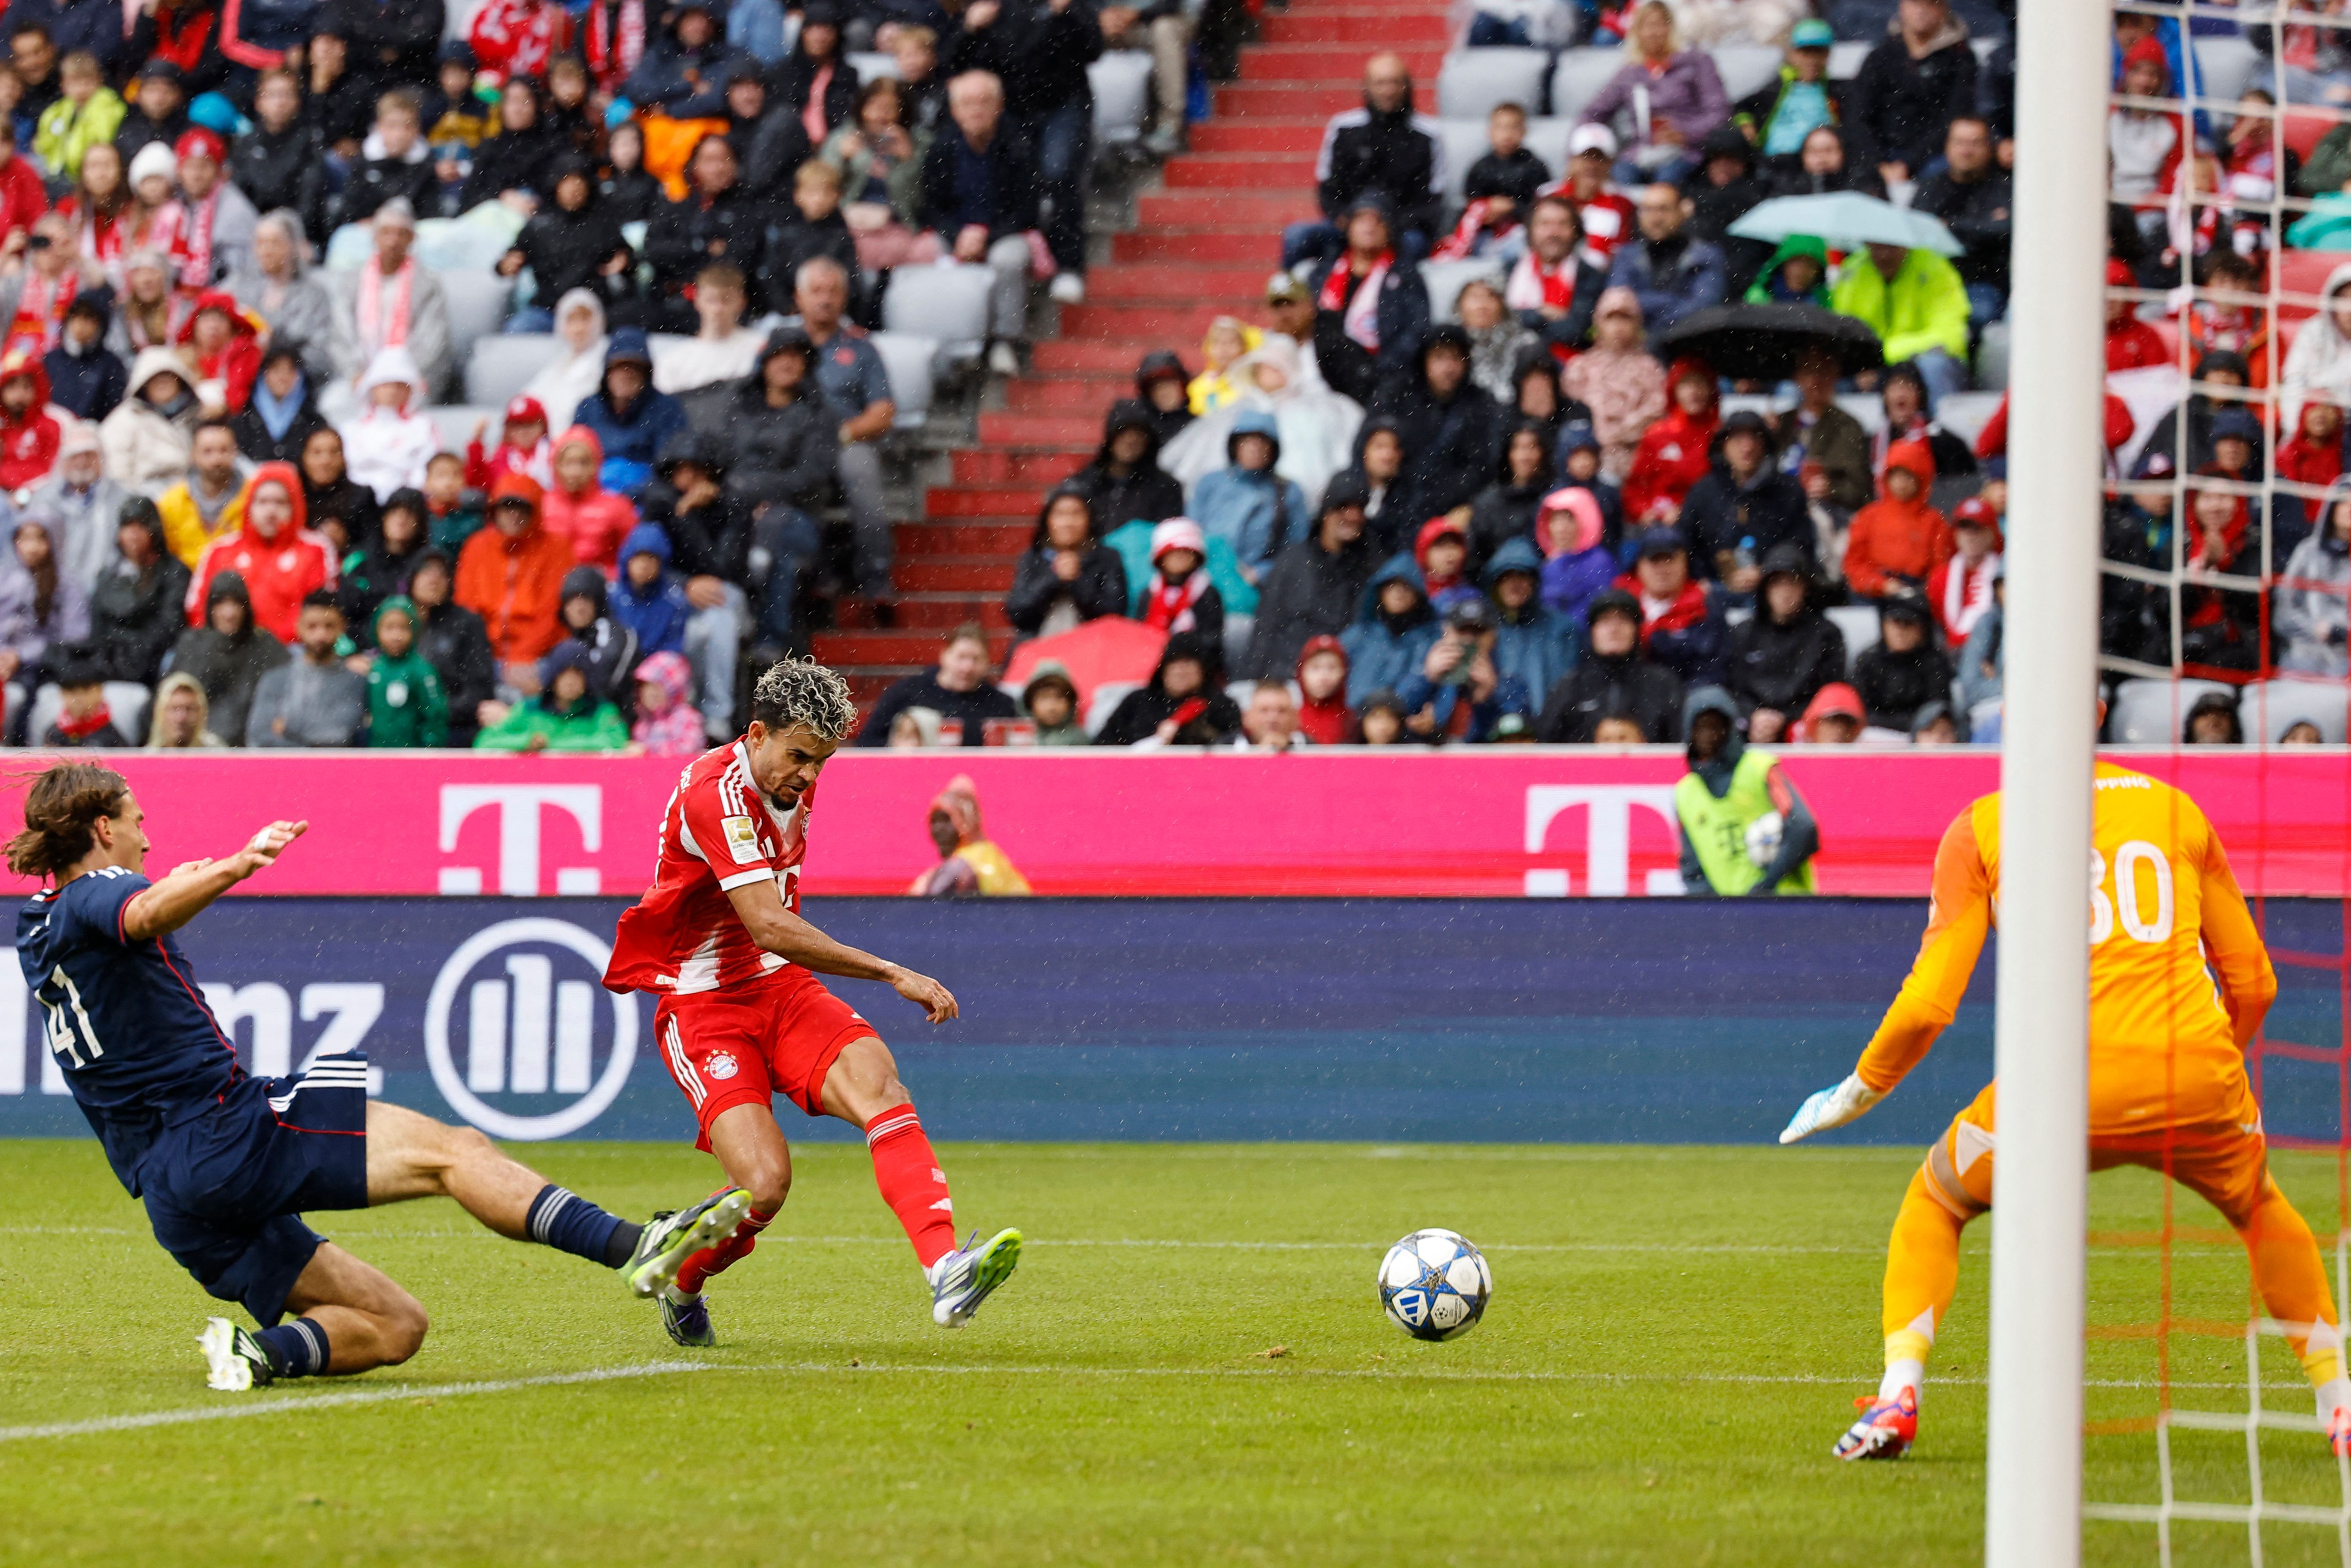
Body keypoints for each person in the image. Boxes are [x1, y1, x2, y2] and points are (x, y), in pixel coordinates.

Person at [8, 761, 754, 1383]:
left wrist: (167, 886)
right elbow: (140, 913)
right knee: (454, 1152)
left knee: (397, 1324)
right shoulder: (98, 894)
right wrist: (235, 866)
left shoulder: (40, 923)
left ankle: (252, 1355)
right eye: (136, 818)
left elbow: (129, 919)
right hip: (223, 1132)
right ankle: (633, 1247)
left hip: (173, 1195)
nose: (147, 832)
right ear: (103, 829)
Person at [1784, 750, 2351, 1462]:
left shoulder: (1982, 826)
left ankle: (1899, 1392)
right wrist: (2209, 1068)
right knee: (2261, 1209)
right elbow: (2255, 982)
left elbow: (1928, 1004)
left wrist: (1859, 1088)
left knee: (1936, 1198)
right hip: (2196, 1075)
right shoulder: (2175, 809)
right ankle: (2339, 1406)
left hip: (2054, 1089)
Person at [603, 655, 1023, 1342]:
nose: (807, 775)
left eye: (822, 762)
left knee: (880, 1086)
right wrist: (892, 972)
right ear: (755, 732)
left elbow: (771, 938)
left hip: (777, 984)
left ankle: (946, 1268)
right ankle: (681, 1280)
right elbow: (768, 921)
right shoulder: (715, 792)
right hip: (703, 1002)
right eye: (798, 755)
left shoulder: (792, 778)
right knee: (765, 1185)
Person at [914, 71, 1039, 377]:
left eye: (985, 102)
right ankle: (938, 340)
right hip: (956, 232)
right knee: (921, 254)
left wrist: (986, 234)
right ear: (955, 110)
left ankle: (1004, 340)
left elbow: (1028, 208)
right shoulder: (942, 146)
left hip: (1003, 231)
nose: (976, 110)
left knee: (1007, 261)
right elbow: (929, 206)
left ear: (999, 105)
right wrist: (957, 235)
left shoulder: (1018, 143)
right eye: (967, 103)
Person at [790, 257, 898, 607]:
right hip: (791, 443)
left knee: (862, 471)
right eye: (816, 291)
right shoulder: (782, 348)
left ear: (845, 298)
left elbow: (883, 412)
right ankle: (816, 578)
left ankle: (876, 579)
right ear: (799, 297)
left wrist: (841, 434)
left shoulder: (862, 349)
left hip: (846, 441)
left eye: (833, 291)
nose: (825, 299)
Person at [1289, 53, 1442, 270]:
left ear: (1407, 86)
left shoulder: (1428, 134)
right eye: (1380, 83)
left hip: (1402, 228)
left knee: (1414, 243)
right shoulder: (1343, 128)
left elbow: (1431, 201)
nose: (1388, 90)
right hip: (1349, 225)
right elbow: (1327, 189)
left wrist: (1386, 227)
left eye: (1394, 82)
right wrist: (1352, 223)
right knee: (1296, 237)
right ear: (1367, 87)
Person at [1674, 686, 1819, 896]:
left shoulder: (1760, 768)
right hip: (1732, 917)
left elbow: (1804, 829)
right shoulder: (1685, 793)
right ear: (1689, 733)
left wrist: (1766, 885)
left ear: (1730, 729)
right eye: (1701, 728)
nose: (1709, 735)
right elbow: (1692, 869)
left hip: (1787, 904)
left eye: (1717, 726)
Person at [1242, 472, 1380, 679]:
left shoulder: (1373, 566)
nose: (1353, 517)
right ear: (1326, 512)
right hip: (1286, 676)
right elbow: (1267, 626)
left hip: (1341, 679)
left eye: (1359, 509)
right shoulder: (1293, 560)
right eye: (1343, 508)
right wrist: (1255, 680)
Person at [184, 462, 336, 645]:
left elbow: (320, 613)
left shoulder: (316, 550)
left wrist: (269, 647)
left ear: (295, 505)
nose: (271, 511)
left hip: (292, 651)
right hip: (227, 647)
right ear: (249, 506)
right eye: (263, 502)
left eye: (280, 502)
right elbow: (197, 608)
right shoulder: (221, 550)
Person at [1579, 2, 1728, 187]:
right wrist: (1583, 149)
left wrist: (1686, 133)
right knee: (1620, 179)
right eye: (1646, 26)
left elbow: (1719, 113)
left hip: (1686, 150)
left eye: (1659, 24)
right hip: (1641, 151)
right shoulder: (1631, 72)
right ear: (1637, 32)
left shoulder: (1696, 62)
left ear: (1671, 28)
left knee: (1667, 180)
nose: (1653, 32)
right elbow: (1594, 112)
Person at [1305, 191, 1431, 405]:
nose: (1369, 227)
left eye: (1378, 220)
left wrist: (1383, 369)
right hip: (1323, 371)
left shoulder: (1405, 275)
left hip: (1380, 377)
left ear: (1389, 229)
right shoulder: (1323, 273)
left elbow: (1416, 330)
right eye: (1362, 218)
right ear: (1349, 226)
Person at [1845, 0, 1979, 189]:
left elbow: (1954, 117)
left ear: (1944, 10)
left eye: (1930, 4)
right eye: (1915, 3)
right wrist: (1878, 163)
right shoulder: (1880, 57)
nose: (1922, 11)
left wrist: (1909, 164)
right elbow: (1858, 116)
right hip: (1881, 154)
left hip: (1933, 156)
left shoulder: (1961, 58)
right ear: (1902, 7)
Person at [455, 474, 573, 685]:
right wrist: (481, 655)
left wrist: (522, 656)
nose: (513, 515)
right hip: (485, 654)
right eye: (506, 507)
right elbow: (466, 607)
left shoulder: (556, 549)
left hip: (539, 656)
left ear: (534, 511)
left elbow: (553, 614)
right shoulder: (477, 546)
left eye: (521, 508)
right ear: (495, 510)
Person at [330, 201, 452, 402]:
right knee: (334, 402)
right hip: (360, 377)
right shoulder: (352, 281)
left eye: (401, 234)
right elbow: (341, 337)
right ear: (374, 237)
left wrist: (398, 380)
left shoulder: (427, 284)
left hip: (408, 381)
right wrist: (357, 374)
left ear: (411, 239)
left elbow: (432, 341)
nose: (393, 241)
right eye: (386, 233)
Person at [1678, 408, 1812, 589]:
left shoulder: (1788, 491)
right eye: (1738, 439)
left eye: (1754, 439)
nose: (1747, 448)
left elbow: (1800, 544)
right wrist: (1702, 581)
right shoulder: (1703, 491)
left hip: (1774, 590)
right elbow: (1687, 543)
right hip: (1712, 591)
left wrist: (1768, 571)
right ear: (1723, 445)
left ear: (1765, 445)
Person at [499, 154, 632, 333]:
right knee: (518, 330)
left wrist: (625, 262)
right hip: (550, 309)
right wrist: (506, 266)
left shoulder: (603, 224)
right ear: (556, 186)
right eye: (567, 182)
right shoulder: (538, 226)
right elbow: (508, 263)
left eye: (579, 182)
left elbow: (628, 262)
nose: (574, 189)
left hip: (592, 310)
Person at [1829, 242, 1971, 407]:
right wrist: (1859, 363)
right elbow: (1841, 331)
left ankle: (1938, 430)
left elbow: (1951, 337)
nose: (1884, 255)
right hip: (1872, 366)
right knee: (1828, 374)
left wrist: (1883, 355)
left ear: (1906, 244)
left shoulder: (1936, 268)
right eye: (1877, 247)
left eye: (1892, 247)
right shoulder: (1853, 270)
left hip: (1918, 362)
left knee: (1935, 366)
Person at [1534, 588, 1683, 743]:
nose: (1614, 629)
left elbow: (1678, 745)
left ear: (1636, 630)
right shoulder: (1570, 687)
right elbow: (1546, 746)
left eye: (1623, 620)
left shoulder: (1663, 684)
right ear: (1593, 632)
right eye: (1605, 621)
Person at [1726, 546, 1844, 743]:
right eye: (1778, 584)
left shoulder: (1826, 634)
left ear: (1806, 588)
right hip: (1749, 728)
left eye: (1793, 583)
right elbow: (1732, 689)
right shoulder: (1743, 633)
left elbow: (1830, 694)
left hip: (1808, 729)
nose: (1785, 592)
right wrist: (1753, 716)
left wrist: (1787, 717)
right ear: (1766, 589)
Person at [1908, 117, 2011, 328]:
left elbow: (2003, 231)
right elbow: (1916, 230)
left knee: (1974, 316)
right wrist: (1977, 229)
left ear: (1990, 148)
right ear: (1947, 147)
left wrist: (1950, 226)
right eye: (1960, 143)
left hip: (1982, 283)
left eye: (1975, 143)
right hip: (1931, 282)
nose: (1967, 151)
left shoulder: (2004, 188)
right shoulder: (1931, 186)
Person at [1191, 408, 1310, 588]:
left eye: (1262, 442)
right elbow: (1191, 531)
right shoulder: (1210, 483)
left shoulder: (1288, 491)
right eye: (1247, 442)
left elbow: (1297, 547)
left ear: (1273, 449)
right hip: (1205, 579)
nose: (1255, 449)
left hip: (1254, 586)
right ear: (1235, 446)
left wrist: (1262, 572)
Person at [167, 569, 282, 745]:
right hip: (194, 744)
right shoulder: (193, 644)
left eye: (236, 604)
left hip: (250, 745)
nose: (230, 614)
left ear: (246, 608)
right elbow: (168, 697)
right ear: (210, 608)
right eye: (221, 604)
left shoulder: (265, 646)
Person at [857, 623, 1017, 746]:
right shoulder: (906, 693)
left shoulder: (1001, 704)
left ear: (988, 662)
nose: (967, 667)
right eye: (961, 657)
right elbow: (867, 742)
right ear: (944, 655)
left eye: (976, 659)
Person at [1005, 481, 1127, 643]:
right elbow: (1017, 612)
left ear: (1089, 519)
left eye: (1077, 514)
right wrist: (1054, 579)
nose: (1068, 523)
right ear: (1048, 520)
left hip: (1092, 649)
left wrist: (1076, 581)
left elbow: (1114, 613)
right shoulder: (1032, 559)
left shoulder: (1107, 558)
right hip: (1039, 651)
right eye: (1060, 514)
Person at [242, 588, 365, 747]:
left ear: (342, 627)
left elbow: (340, 735)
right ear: (299, 626)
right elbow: (259, 735)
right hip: (281, 769)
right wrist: (308, 746)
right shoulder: (274, 679)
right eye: (312, 626)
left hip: (330, 770)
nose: (321, 635)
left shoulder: (354, 680)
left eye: (329, 626)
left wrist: (288, 727)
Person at [1605, 183, 1725, 346]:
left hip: (1688, 344)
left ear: (1682, 211)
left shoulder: (1706, 256)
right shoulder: (1626, 255)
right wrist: (1671, 301)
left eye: (1663, 209)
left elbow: (1704, 307)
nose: (1655, 219)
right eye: (1648, 210)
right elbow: (1619, 303)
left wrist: (1648, 314)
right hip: (1636, 347)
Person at [88, 497, 187, 685]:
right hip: (110, 661)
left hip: (152, 661)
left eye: (141, 526)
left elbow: (170, 626)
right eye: (127, 526)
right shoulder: (108, 575)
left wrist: (134, 647)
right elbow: (98, 626)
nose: (134, 534)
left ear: (155, 531)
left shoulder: (174, 572)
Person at [573, 330, 687, 495]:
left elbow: (670, 467)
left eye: (634, 368)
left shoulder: (667, 409)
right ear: (607, 372)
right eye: (618, 367)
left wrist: (630, 495)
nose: (625, 375)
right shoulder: (587, 408)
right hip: (592, 497)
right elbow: (570, 459)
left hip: (646, 499)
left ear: (646, 374)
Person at [1732, 18, 1847, 178]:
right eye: (1805, 52)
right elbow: (1741, 107)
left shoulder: (1838, 91)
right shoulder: (1776, 89)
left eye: (1819, 53)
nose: (1812, 60)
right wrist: (1746, 123)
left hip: (1820, 164)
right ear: (1792, 54)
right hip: (1776, 163)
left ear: (1827, 56)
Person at [229, 213, 335, 386]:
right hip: (244, 380)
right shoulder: (239, 288)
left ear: (292, 246)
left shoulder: (313, 294)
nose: (267, 251)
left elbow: (320, 352)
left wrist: (279, 356)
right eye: (261, 243)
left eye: (275, 243)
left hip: (299, 382)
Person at [408, 548, 498, 746]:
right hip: (403, 726)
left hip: (453, 727)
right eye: (426, 570)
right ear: (411, 577)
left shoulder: (468, 624)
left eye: (442, 572)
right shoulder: (396, 620)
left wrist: (434, 711)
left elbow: (479, 690)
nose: (434, 579)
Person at [475, 640, 633, 752]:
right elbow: (485, 742)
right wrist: (525, 742)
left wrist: (553, 746)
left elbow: (615, 741)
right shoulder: (530, 709)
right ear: (553, 678)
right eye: (564, 675)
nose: (571, 682)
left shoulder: (602, 711)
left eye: (577, 675)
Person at [1843, 440, 1953, 601]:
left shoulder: (1935, 521)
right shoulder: (1868, 516)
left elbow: (1940, 567)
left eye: (1908, 476)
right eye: (1896, 476)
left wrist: (1920, 590)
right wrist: (1880, 584)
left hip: (1917, 593)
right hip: (1874, 593)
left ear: (1921, 479)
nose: (1901, 483)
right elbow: (1854, 564)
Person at [1617, 528, 1725, 688]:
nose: (1662, 569)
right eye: (1654, 560)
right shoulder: (1619, 606)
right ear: (1639, 565)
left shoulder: (1705, 608)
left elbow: (1712, 672)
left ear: (1685, 563)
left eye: (1670, 559)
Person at [1093, 629, 1241, 747]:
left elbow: (1232, 746)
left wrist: (1186, 733)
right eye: (1174, 662)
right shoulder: (1137, 702)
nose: (1181, 670)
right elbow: (1104, 746)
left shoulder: (1221, 706)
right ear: (1163, 669)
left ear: (1203, 670)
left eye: (1189, 663)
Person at [1621, 358, 1720, 530]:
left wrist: (1687, 511)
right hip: (1661, 525)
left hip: (1708, 521)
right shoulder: (1658, 434)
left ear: (1711, 389)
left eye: (1700, 384)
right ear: (1675, 389)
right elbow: (1636, 487)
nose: (1694, 391)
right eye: (1687, 384)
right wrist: (1645, 512)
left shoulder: (1720, 434)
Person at [341, 347, 438, 506]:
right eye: (386, 385)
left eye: (400, 385)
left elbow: (428, 469)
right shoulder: (350, 429)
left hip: (405, 504)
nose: (393, 391)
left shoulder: (424, 426)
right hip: (358, 505)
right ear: (372, 388)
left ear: (410, 390)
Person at [909, 773, 1032, 896]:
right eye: (934, 822)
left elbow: (924, 909)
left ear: (967, 823)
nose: (937, 830)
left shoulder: (959, 867)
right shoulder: (994, 858)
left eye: (946, 820)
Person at [2276, 480, 2351, 679]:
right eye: (2345, 501)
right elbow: (2283, 612)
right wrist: (2316, 629)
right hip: (2302, 659)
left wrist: (2344, 632)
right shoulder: (2307, 552)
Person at [652, 263, 764, 395]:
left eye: (727, 300)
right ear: (697, 300)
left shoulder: (760, 349)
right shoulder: (674, 361)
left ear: (742, 302)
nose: (718, 309)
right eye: (711, 300)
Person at [100, 347, 199, 492]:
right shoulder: (124, 419)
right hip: (145, 497)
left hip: (191, 497)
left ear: (181, 380)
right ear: (143, 383)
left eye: (168, 375)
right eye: (155, 378)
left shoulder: (196, 416)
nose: (163, 382)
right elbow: (115, 472)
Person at [543, 425, 639, 574]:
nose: (576, 472)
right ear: (556, 466)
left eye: (584, 463)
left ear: (596, 465)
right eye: (568, 463)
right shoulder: (541, 506)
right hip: (550, 585)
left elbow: (634, 557)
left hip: (602, 589)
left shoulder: (618, 506)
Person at [1851, 593, 1950, 733]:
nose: (1900, 632)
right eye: (1896, 623)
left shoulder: (1935, 663)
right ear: (1884, 625)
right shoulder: (1867, 661)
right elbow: (1860, 711)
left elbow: (1936, 711)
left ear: (1923, 629)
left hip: (1921, 737)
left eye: (1908, 624)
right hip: (1873, 736)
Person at [156, 417, 245, 567]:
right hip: (184, 583)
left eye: (224, 450)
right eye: (207, 451)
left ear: (235, 452)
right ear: (194, 455)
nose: (216, 459)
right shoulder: (172, 502)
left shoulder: (254, 497)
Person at [231, 340, 327, 468]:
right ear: (263, 374)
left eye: (290, 370)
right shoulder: (242, 422)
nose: (283, 377)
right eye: (276, 369)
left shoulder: (314, 421)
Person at [1926, 495, 2000, 646]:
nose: (1970, 537)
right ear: (1955, 535)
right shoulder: (1940, 577)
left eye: (1977, 530)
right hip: (1949, 651)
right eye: (1965, 530)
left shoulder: (2002, 577)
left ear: (1992, 535)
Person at [45, 293, 125, 425]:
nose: (80, 324)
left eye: (89, 318)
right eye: (76, 316)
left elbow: (115, 412)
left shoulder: (111, 365)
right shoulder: (51, 360)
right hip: (53, 433)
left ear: (100, 324)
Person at [145, 669, 219, 747]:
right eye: (175, 709)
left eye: (189, 709)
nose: (182, 718)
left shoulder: (216, 754)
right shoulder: (147, 757)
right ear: (160, 713)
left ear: (201, 713)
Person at [1019, 660, 1086, 745]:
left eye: (1059, 697)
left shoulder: (1082, 742)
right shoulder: (1018, 740)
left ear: (1070, 703)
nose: (1052, 707)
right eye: (1043, 698)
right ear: (1029, 702)